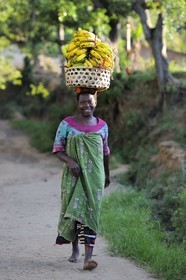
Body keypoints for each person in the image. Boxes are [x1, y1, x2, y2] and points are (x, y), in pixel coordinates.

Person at [52, 87, 110, 270]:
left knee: (91, 212)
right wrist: (70, 162)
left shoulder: (102, 126)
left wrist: (107, 174)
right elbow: (57, 149)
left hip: (95, 176)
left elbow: (105, 153)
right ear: (77, 104)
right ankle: (75, 249)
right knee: (76, 212)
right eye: (82, 101)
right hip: (73, 175)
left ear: (95, 102)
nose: (87, 105)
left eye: (90, 101)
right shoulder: (67, 124)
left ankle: (88, 258)